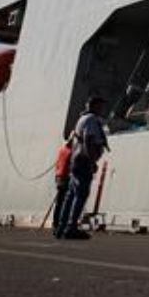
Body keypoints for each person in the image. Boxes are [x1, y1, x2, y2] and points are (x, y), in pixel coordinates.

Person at [56, 96, 109, 240]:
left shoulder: (82, 119)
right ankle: (71, 227)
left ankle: (62, 227)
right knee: (81, 194)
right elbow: (89, 140)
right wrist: (92, 161)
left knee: (71, 195)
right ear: (95, 106)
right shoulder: (91, 119)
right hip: (83, 161)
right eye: (101, 106)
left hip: (76, 160)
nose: (102, 109)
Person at [47, 141, 74, 234]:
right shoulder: (71, 152)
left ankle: (56, 223)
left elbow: (59, 164)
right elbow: (71, 166)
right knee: (65, 202)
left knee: (59, 202)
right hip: (66, 177)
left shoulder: (62, 150)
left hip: (59, 177)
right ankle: (61, 224)